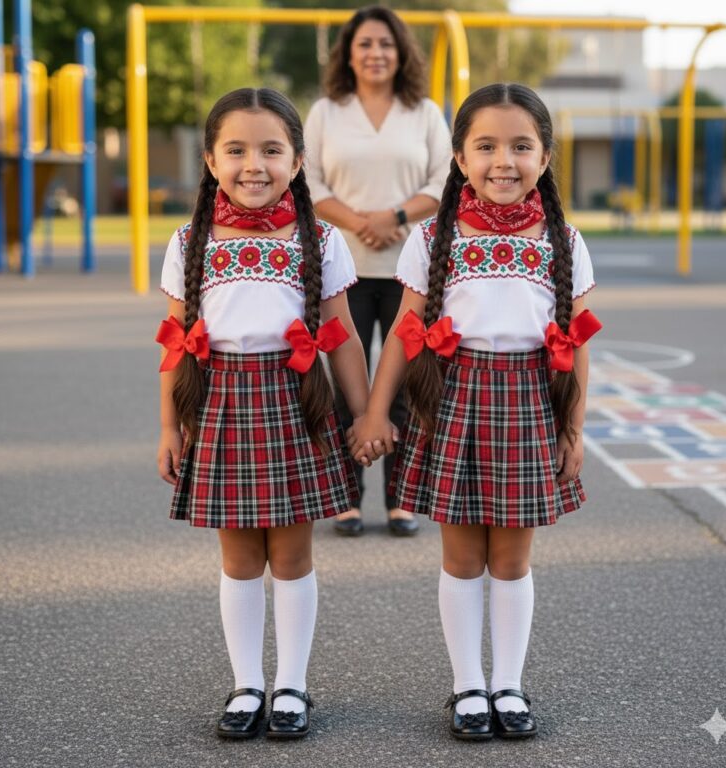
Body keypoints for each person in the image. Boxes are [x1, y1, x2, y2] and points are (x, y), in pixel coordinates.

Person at [349, 83, 601, 740]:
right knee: (462, 557)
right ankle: (467, 687)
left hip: (529, 406)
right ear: (459, 157)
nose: (503, 161)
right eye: (485, 146)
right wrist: (376, 413)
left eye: (521, 146)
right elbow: (406, 330)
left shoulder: (563, 240)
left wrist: (574, 427)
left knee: (512, 560)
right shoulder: (432, 238)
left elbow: (573, 342)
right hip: (454, 400)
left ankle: (508, 685)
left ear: (545, 156)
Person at [156, 87, 369, 741]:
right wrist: (169, 427)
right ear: (212, 161)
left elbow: (344, 337)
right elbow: (173, 339)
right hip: (219, 406)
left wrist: (364, 417)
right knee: (240, 558)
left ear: (298, 161)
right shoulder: (190, 240)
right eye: (237, 150)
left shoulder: (323, 239)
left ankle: (292, 686)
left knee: (293, 555)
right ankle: (248, 683)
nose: (255, 164)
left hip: (296, 404)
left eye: (272, 149)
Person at [304, 5, 452, 536]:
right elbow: (311, 183)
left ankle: (401, 497)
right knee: (349, 384)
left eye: (385, 44)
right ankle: (346, 497)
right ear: (348, 52)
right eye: (364, 43)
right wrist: (361, 223)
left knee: (409, 381)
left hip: (409, 269)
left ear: (401, 52)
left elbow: (443, 181)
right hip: (341, 268)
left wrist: (393, 218)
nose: (375, 53)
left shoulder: (425, 112)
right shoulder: (326, 111)